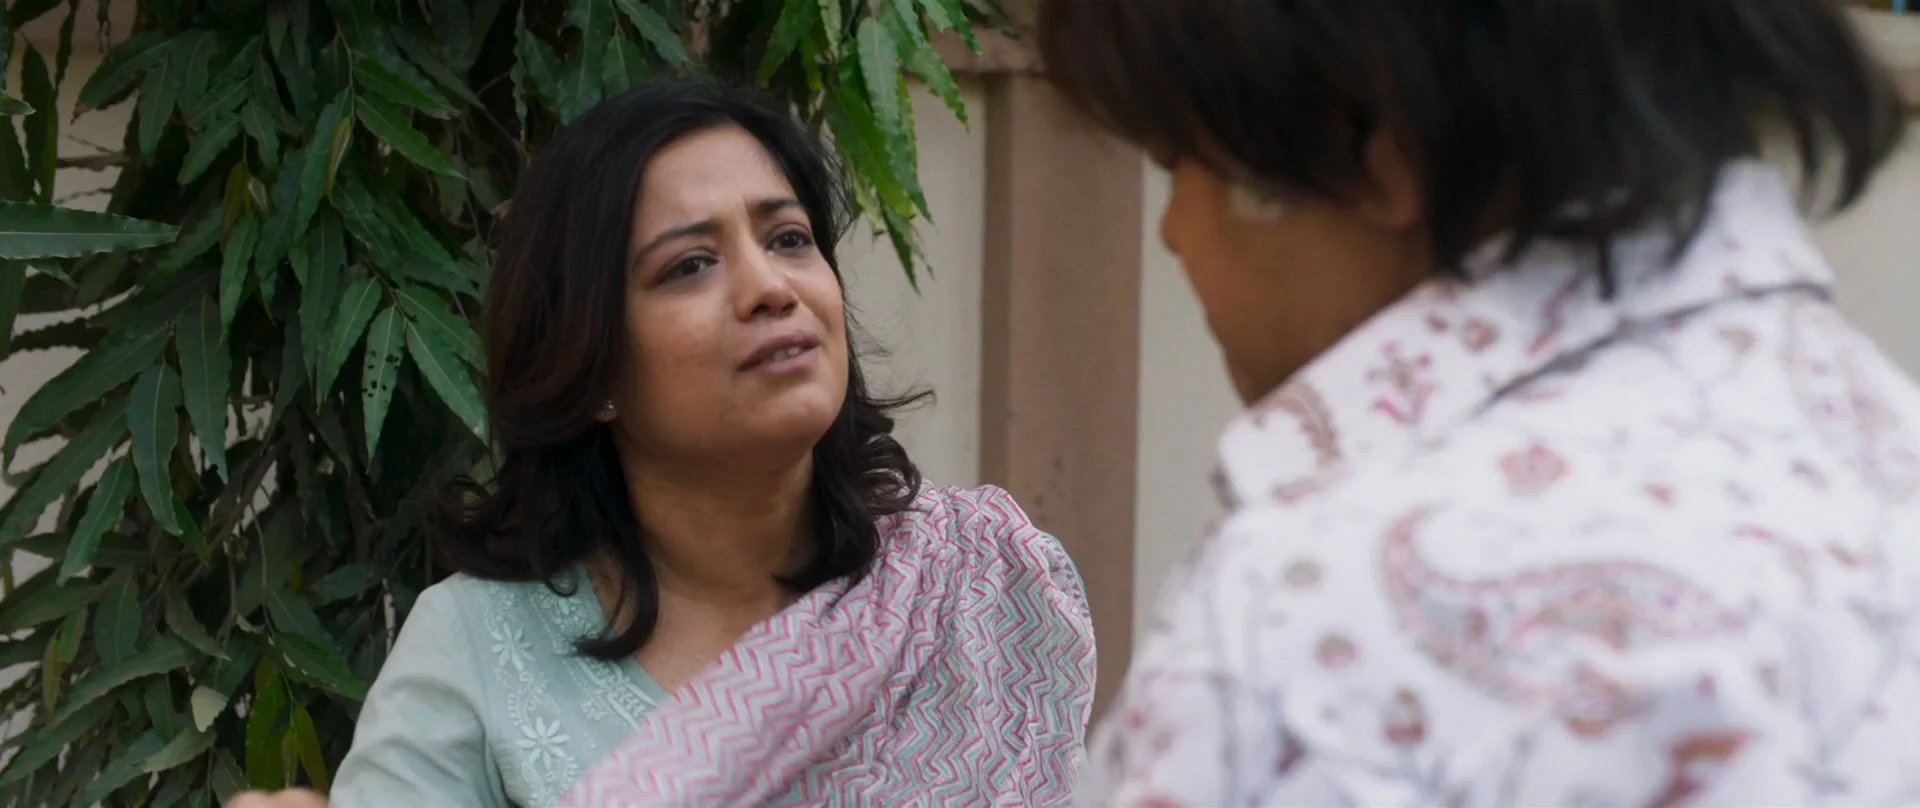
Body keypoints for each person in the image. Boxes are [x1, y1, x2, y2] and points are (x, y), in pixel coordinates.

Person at [1039, 1, 1920, 805]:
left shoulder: (1315, 622)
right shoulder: (1891, 469)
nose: (1173, 233)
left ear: (1369, 141)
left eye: (1178, 163)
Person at [231, 81, 1094, 808]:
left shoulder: (972, 585)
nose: (769, 287)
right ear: (592, 364)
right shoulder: (479, 649)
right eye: (689, 266)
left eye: (789, 239)